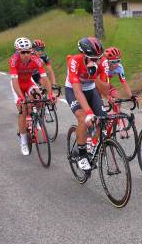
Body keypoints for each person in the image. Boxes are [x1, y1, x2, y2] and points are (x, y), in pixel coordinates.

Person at [64, 36, 111, 171]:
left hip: (91, 90)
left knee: (102, 120)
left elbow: (105, 90)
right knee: (84, 118)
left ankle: (90, 147)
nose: (95, 61)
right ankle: (82, 155)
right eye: (92, 58)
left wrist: (95, 76)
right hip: (73, 90)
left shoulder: (103, 63)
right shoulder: (74, 61)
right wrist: (89, 113)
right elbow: (78, 91)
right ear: (83, 55)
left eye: (98, 58)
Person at [9, 37, 54, 156]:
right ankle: (23, 141)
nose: (26, 55)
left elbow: (44, 78)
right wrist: (21, 97)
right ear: (18, 52)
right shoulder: (14, 60)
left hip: (28, 82)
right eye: (23, 52)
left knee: (39, 98)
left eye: (28, 52)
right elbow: (14, 82)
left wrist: (50, 94)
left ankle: (36, 118)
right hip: (17, 84)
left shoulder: (36, 60)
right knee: (23, 110)